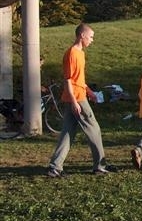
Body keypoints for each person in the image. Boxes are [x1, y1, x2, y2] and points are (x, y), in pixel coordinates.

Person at [47, 23, 118, 177]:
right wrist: (74, 101)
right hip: (76, 98)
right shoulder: (71, 54)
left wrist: (90, 93)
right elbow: (68, 80)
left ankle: (55, 167)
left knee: (68, 132)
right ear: (82, 35)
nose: (92, 40)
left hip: (78, 96)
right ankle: (99, 165)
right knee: (94, 129)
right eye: (90, 37)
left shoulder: (80, 53)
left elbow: (79, 79)